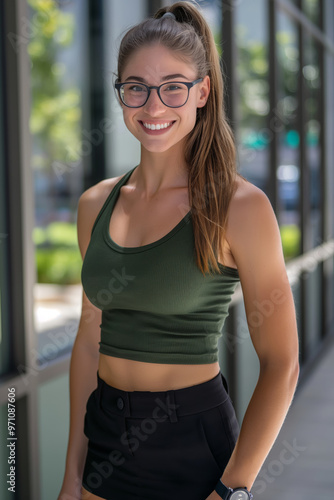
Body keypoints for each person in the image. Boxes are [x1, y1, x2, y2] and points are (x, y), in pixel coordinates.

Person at [57, 2, 299, 500]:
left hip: (192, 443)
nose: (153, 105)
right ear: (120, 94)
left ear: (203, 91)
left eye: (173, 86)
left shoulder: (240, 207)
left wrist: (232, 490)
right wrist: (72, 475)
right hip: (105, 435)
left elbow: (282, 363)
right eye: (136, 88)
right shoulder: (94, 205)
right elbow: (89, 338)